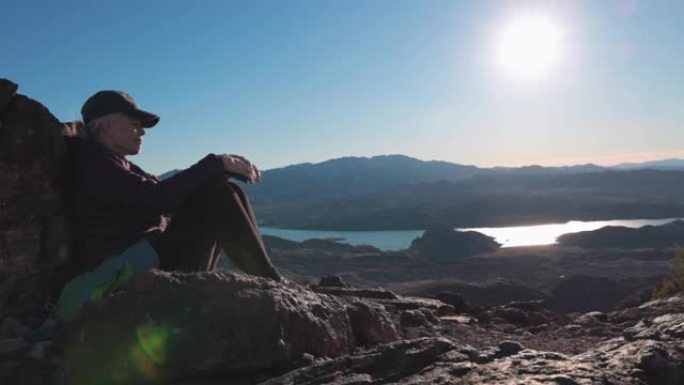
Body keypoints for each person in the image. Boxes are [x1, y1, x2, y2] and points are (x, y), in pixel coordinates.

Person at [30, 90, 282, 340]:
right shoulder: (94, 165)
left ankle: (266, 280)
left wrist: (216, 172)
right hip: (132, 280)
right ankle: (271, 283)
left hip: (147, 266)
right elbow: (159, 198)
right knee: (216, 193)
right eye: (134, 123)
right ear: (106, 126)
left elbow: (171, 198)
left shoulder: (110, 162)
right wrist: (215, 163)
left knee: (221, 190)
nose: (142, 131)